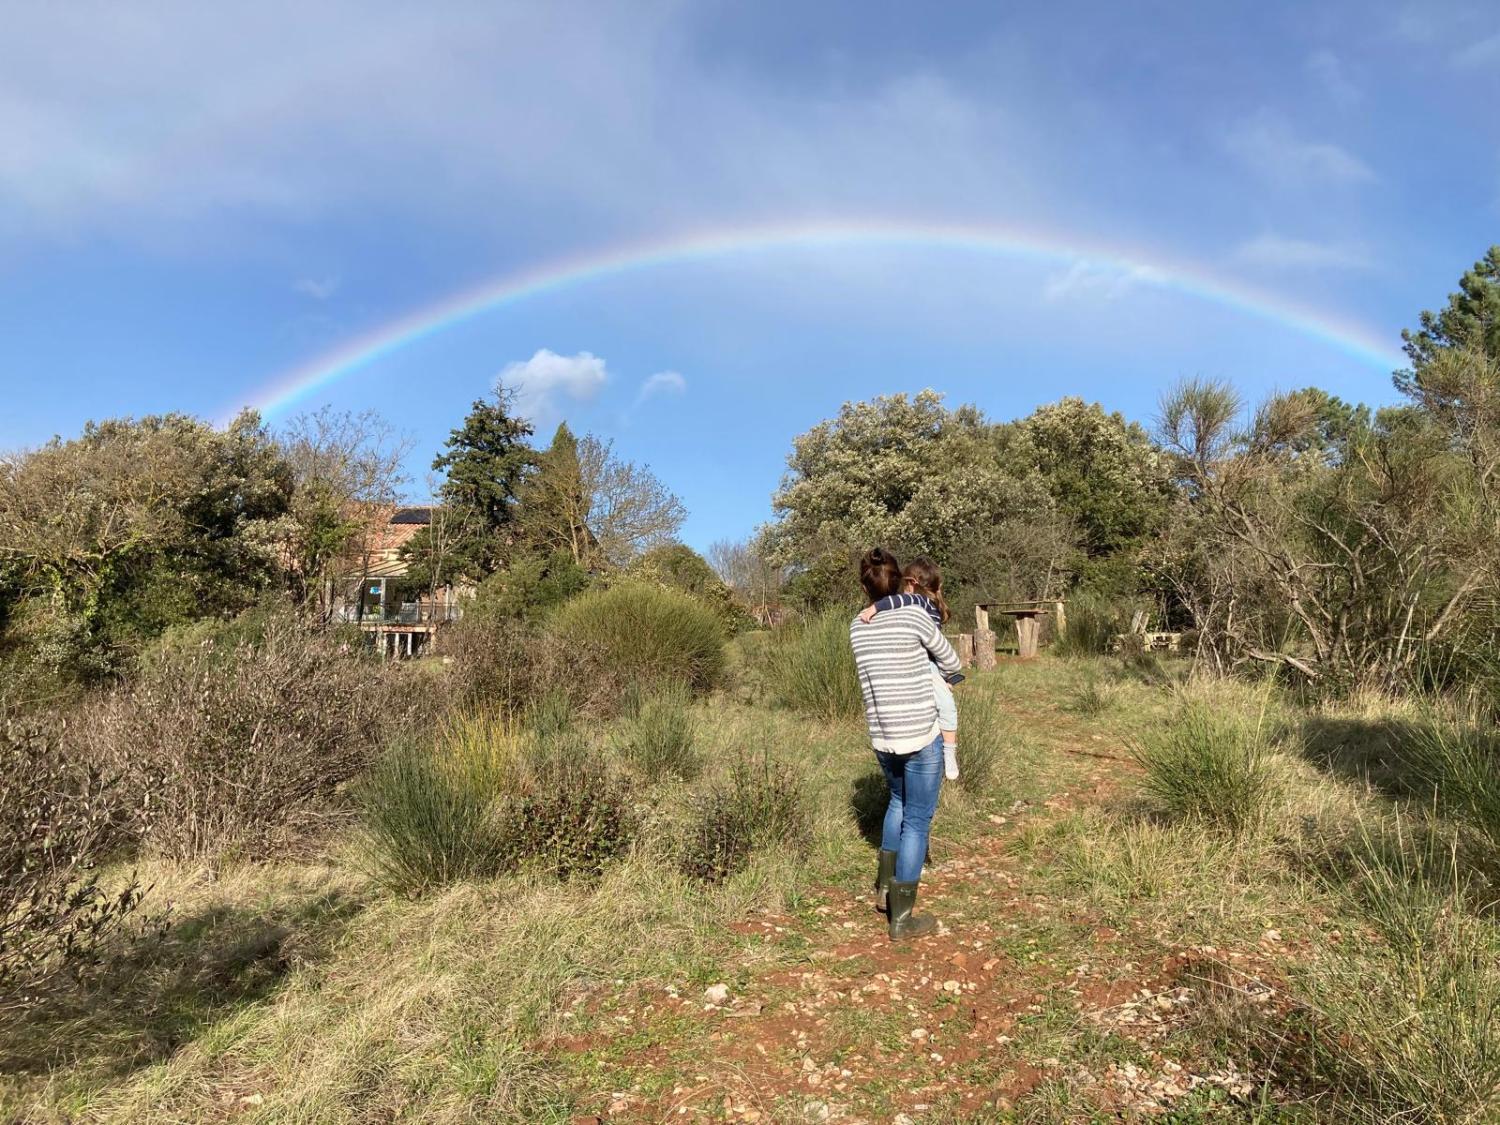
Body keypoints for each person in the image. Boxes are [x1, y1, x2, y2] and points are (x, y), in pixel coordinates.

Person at [849, 548, 962, 941]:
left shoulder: (856, 626)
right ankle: (902, 919)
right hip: (920, 736)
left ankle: (884, 890)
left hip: (882, 737)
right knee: (917, 820)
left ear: (864, 585)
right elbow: (950, 659)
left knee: (896, 803)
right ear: (899, 580)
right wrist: (948, 678)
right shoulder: (914, 615)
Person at [858, 556, 961, 781]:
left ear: (911, 582)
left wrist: (875, 607)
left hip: (932, 664)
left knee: (947, 703)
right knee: (947, 705)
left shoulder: (919, 603)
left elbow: (894, 602)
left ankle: (950, 750)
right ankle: (949, 748)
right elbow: (896, 601)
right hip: (931, 665)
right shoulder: (921, 604)